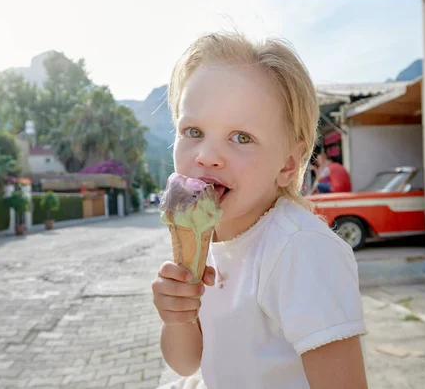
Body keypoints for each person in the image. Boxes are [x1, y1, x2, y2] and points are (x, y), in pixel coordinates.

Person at [152, 32, 367, 389]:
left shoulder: (300, 251)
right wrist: (177, 318)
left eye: (241, 138)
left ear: (287, 165)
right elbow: (187, 363)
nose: (206, 155)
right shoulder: (208, 239)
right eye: (193, 130)